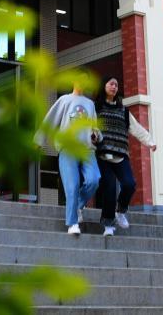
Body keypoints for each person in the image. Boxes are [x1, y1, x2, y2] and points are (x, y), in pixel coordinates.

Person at [94, 76, 156, 236]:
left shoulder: (123, 110)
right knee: (109, 188)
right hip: (102, 155)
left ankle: (121, 210)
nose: (114, 87)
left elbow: (136, 128)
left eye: (116, 84)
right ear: (104, 86)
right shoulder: (96, 107)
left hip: (120, 154)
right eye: (111, 84)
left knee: (129, 184)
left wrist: (150, 142)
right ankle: (108, 224)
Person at [38, 83, 101, 235]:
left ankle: (78, 205)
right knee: (72, 186)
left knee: (94, 180)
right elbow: (50, 120)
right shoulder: (64, 100)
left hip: (87, 150)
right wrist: (39, 140)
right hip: (68, 149)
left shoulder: (90, 104)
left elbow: (95, 127)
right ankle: (73, 224)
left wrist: (96, 135)